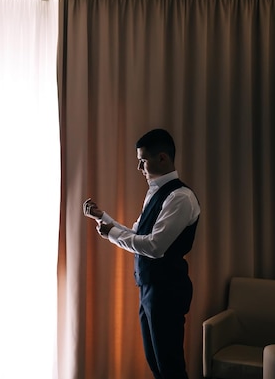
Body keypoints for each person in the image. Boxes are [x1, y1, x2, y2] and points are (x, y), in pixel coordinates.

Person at [83, 128, 200, 379]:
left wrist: (111, 233)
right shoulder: (154, 194)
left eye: (143, 160)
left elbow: (154, 247)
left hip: (167, 291)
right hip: (149, 289)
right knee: (156, 363)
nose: (139, 167)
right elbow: (137, 234)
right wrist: (102, 218)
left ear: (162, 158)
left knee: (170, 366)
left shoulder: (180, 197)